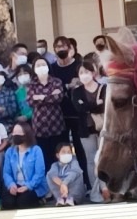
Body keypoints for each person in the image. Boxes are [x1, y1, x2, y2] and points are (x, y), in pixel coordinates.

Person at [50, 36, 87, 184]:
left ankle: (85, 182)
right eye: (58, 47)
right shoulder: (52, 68)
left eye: (64, 46)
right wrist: (66, 86)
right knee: (62, 151)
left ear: (70, 48)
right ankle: (63, 183)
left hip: (77, 113)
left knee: (80, 149)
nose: (61, 49)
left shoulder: (78, 66)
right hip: (59, 115)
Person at [71, 61, 109, 203]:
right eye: (81, 73)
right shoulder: (77, 92)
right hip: (85, 129)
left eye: (86, 72)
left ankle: (107, 188)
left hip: (103, 129)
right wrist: (95, 104)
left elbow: (104, 106)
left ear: (93, 73)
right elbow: (79, 108)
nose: (84, 75)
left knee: (104, 159)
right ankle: (96, 191)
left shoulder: (103, 88)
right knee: (91, 160)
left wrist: (88, 106)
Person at [28, 58, 66, 170]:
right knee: (44, 158)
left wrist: (40, 97)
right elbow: (31, 101)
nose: (41, 67)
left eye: (43, 64)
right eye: (38, 65)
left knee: (59, 156)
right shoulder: (32, 84)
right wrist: (50, 96)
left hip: (56, 125)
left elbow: (58, 98)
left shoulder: (56, 81)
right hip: (39, 128)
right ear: (34, 69)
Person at [1, 120, 48, 209]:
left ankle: (40, 200)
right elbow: (6, 173)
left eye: (19, 133)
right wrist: (11, 184)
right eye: (14, 133)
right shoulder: (9, 152)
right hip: (16, 184)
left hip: (33, 186)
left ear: (26, 134)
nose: (16, 135)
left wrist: (28, 186)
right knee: (8, 203)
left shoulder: (36, 150)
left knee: (23, 202)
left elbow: (39, 173)